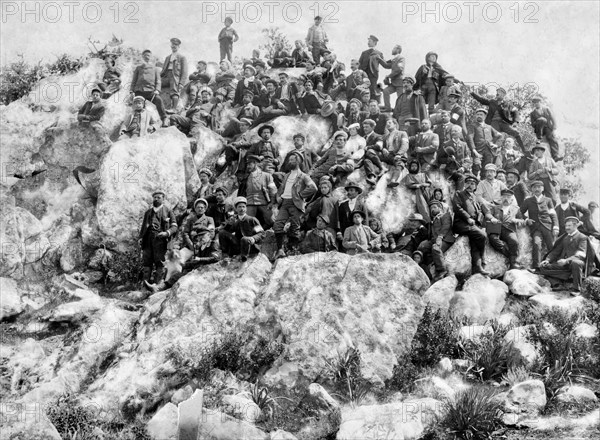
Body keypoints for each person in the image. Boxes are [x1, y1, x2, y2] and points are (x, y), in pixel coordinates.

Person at [273, 151, 319, 258]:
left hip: (296, 204)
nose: (290, 162)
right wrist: (278, 196)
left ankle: (293, 252)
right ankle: (280, 250)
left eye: (292, 160)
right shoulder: (287, 175)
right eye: (289, 160)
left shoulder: (303, 176)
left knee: (295, 227)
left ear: (298, 161)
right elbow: (281, 188)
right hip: (284, 203)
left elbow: (313, 188)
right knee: (277, 225)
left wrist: (301, 195)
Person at [452, 174, 496, 276]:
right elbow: (457, 208)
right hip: (461, 223)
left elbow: (485, 210)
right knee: (482, 235)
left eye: (472, 184)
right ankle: (483, 255)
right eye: (467, 183)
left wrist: (492, 218)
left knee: (475, 243)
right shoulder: (459, 194)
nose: (470, 185)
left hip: (474, 225)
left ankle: (478, 268)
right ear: (464, 184)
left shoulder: (476, 197)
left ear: (475, 186)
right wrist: (468, 218)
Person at [538, 216, 588, 294]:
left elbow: (581, 254)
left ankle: (576, 289)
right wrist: (547, 260)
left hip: (576, 264)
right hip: (564, 265)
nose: (567, 228)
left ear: (575, 226)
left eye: (569, 226)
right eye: (566, 226)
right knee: (543, 267)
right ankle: (557, 284)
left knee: (576, 263)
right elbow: (556, 252)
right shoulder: (565, 238)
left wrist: (566, 261)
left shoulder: (582, 237)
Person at [139, 190, 178, 284]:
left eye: (158, 197)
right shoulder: (148, 212)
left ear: (163, 199)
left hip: (161, 241)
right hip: (148, 240)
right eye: (154, 197)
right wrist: (140, 238)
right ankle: (145, 284)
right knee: (147, 262)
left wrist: (167, 233)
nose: (156, 199)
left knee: (160, 262)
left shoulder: (168, 211)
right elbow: (143, 227)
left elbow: (175, 227)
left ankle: (157, 285)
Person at [470, 87, 525, 152]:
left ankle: (524, 151)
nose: (497, 94)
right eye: (497, 92)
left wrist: (515, 121)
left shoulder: (507, 104)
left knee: (516, 133)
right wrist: (472, 93)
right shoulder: (492, 102)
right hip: (493, 122)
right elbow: (482, 100)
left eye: (499, 92)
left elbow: (515, 111)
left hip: (503, 123)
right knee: (495, 138)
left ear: (503, 94)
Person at [520, 180, 559, 269]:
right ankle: (536, 268)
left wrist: (556, 227)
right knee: (536, 243)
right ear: (532, 189)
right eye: (534, 187)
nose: (537, 189)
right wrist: (526, 220)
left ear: (543, 188)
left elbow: (553, 215)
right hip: (535, 228)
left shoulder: (548, 200)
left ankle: (555, 266)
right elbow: (519, 212)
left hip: (547, 227)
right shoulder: (528, 201)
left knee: (552, 245)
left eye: (539, 187)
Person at [487, 189, 528, 269]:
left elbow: (522, 220)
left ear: (512, 199)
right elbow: (488, 214)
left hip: (509, 230)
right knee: (493, 239)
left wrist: (516, 220)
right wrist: (492, 218)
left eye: (508, 197)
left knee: (514, 241)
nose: (506, 198)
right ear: (501, 198)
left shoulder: (516, 209)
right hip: (496, 229)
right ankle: (510, 255)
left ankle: (513, 264)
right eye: (504, 196)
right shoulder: (495, 208)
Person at [218, 196, 265, 261]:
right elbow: (227, 232)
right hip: (237, 245)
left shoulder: (252, 220)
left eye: (243, 207)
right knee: (221, 232)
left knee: (244, 239)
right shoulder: (234, 220)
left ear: (246, 208)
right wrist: (229, 224)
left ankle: (243, 257)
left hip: (249, 245)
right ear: (236, 209)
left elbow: (262, 233)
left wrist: (253, 238)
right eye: (239, 207)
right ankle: (225, 254)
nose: (241, 209)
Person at [418, 200, 454, 281]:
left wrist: (440, 237)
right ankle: (421, 267)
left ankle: (442, 270)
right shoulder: (432, 220)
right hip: (433, 240)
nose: (432, 209)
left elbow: (446, 226)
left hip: (445, 239)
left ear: (440, 208)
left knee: (435, 248)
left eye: (434, 207)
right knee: (422, 246)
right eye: (431, 208)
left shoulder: (446, 215)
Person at [130, 50, 168, 126]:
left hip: (150, 91)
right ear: (142, 57)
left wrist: (157, 90)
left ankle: (164, 119)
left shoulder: (155, 69)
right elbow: (134, 80)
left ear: (151, 57)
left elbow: (158, 81)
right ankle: (135, 122)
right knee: (137, 104)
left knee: (159, 100)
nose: (146, 57)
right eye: (145, 55)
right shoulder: (138, 68)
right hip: (139, 91)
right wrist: (131, 91)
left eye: (148, 55)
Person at [243, 154, 277, 230]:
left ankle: (262, 231)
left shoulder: (266, 176)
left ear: (255, 163)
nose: (248, 166)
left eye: (250, 164)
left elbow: (273, 190)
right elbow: (242, 193)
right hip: (250, 204)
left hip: (264, 203)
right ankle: (256, 234)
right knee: (247, 223)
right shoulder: (246, 178)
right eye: (247, 164)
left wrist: (271, 202)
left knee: (271, 221)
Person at [467, 108, 502, 176]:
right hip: (477, 151)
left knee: (487, 169)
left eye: (481, 115)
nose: (479, 116)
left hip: (489, 151)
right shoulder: (472, 126)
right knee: (476, 166)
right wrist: (474, 151)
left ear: (485, 116)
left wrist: (496, 145)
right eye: (477, 114)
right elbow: (470, 138)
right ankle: (475, 183)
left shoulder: (489, 127)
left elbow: (500, 136)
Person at [336, 182, 368, 247]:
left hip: (358, 233)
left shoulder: (362, 205)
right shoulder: (342, 205)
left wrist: (366, 233)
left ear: (357, 192)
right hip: (345, 233)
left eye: (351, 190)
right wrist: (339, 231)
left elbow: (365, 220)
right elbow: (339, 219)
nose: (349, 192)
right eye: (348, 190)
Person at [530, 94, 561, 161]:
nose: (536, 104)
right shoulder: (532, 113)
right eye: (535, 103)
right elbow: (532, 124)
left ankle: (555, 156)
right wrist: (539, 121)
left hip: (547, 127)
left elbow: (552, 118)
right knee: (542, 120)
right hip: (539, 129)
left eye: (538, 102)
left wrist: (554, 126)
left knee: (552, 138)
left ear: (540, 102)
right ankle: (539, 138)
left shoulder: (546, 109)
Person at [160, 38, 188, 111]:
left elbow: (184, 71)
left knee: (174, 90)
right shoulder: (167, 57)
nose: (174, 46)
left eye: (176, 45)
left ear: (178, 46)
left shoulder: (182, 58)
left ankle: (174, 108)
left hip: (175, 76)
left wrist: (181, 83)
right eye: (172, 44)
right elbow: (163, 70)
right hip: (166, 76)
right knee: (157, 84)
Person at [378, 44, 405, 112]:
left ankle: (401, 110)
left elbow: (399, 69)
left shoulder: (401, 58)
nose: (392, 50)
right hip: (394, 83)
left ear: (398, 50)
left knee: (401, 98)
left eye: (394, 48)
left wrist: (389, 76)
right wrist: (380, 58)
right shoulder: (394, 59)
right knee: (385, 91)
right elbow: (386, 65)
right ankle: (388, 108)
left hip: (399, 82)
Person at [358, 35, 384, 103]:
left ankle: (373, 104)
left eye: (369, 41)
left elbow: (385, 63)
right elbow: (359, 64)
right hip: (364, 75)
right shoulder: (364, 53)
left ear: (374, 42)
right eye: (368, 41)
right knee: (364, 90)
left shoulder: (379, 53)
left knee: (372, 90)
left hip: (373, 75)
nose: (368, 43)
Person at [362, 119, 385, 185]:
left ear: (372, 127)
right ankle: (372, 177)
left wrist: (367, 147)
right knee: (366, 160)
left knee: (369, 151)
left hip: (376, 155)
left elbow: (379, 146)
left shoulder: (378, 136)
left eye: (367, 127)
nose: (365, 129)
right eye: (364, 127)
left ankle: (382, 167)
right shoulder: (363, 138)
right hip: (368, 157)